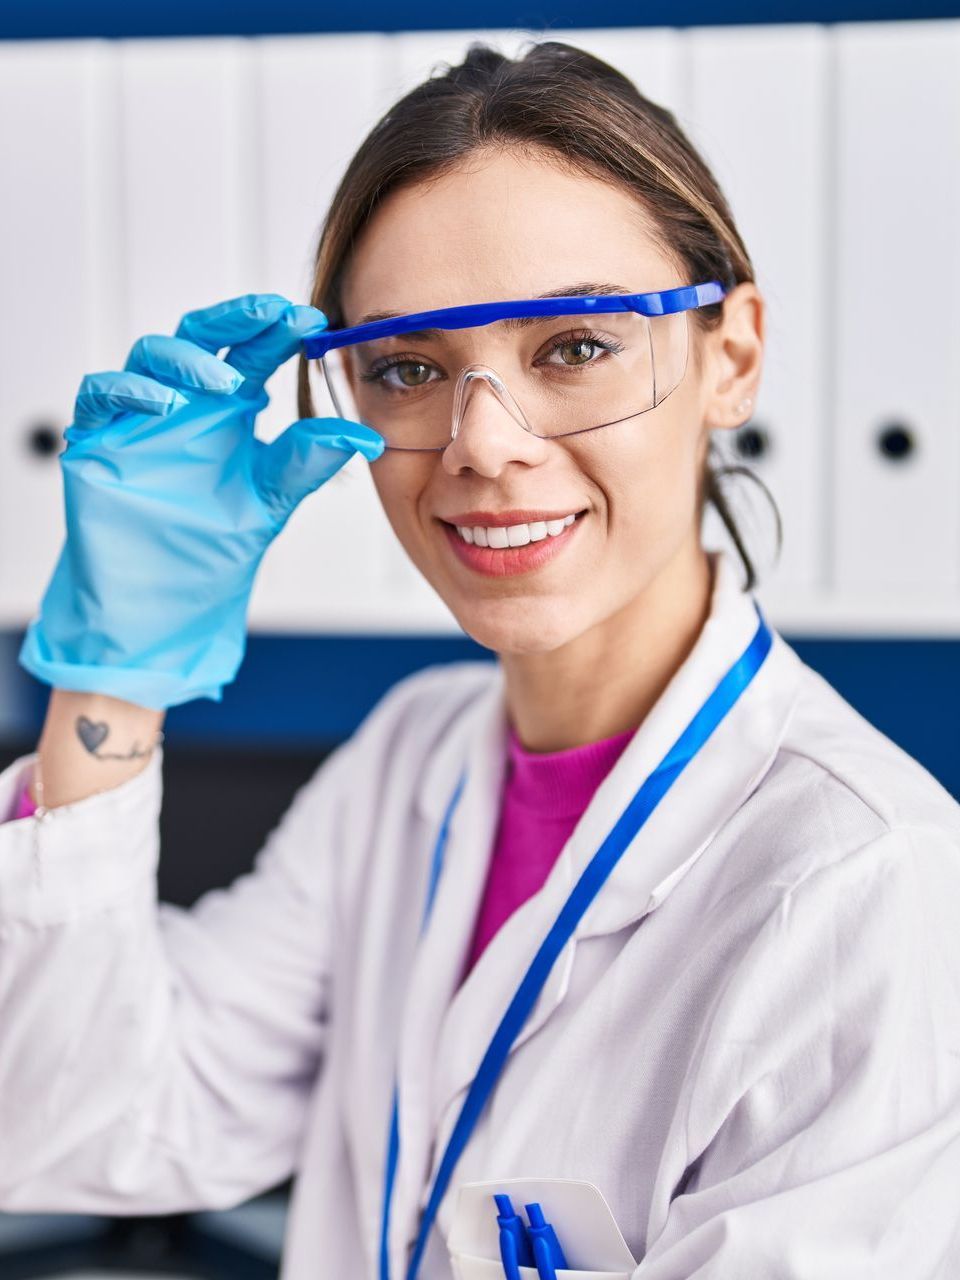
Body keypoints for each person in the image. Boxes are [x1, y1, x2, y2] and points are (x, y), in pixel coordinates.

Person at [1, 39, 958, 1280]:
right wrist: (116, 676)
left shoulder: (871, 889)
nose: (485, 444)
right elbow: (79, 1126)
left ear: (731, 356)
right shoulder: (412, 760)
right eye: (410, 368)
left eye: (574, 348)